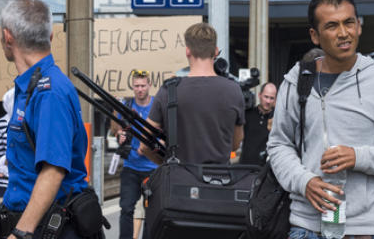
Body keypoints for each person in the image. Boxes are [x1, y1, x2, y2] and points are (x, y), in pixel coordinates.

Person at [268, 0, 374, 239]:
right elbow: (278, 144)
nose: (343, 33)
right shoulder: (297, 79)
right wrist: (304, 182)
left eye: (349, 23)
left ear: (359, 26)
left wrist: (357, 157)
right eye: (331, 26)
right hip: (306, 226)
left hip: (364, 230)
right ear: (315, 35)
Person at [0, 0, 90, 239]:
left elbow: (53, 170)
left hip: (47, 227)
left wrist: (20, 234)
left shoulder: (49, 92)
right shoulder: (33, 86)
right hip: (34, 220)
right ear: (50, 36)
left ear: (8, 37)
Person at [141, 22, 245, 165]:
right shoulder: (234, 90)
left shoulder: (168, 90)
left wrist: (166, 166)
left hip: (179, 182)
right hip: (220, 183)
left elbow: (144, 146)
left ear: (187, 51)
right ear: (215, 51)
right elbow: (234, 144)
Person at [109, 70, 158, 239]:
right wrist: (119, 135)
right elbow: (115, 129)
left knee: (152, 211)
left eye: (143, 85)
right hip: (131, 166)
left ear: (149, 85)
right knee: (126, 209)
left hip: (153, 168)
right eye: (136, 86)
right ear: (132, 87)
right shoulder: (127, 106)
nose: (140, 89)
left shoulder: (157, 106)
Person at [239, 82, 277, 165]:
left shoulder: (277, 119)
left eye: (271, 98)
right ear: (259, 95)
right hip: (244, 167)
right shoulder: (247, 114)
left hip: (266, 170)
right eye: (266, 97)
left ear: (275, 100)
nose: (268, 101)